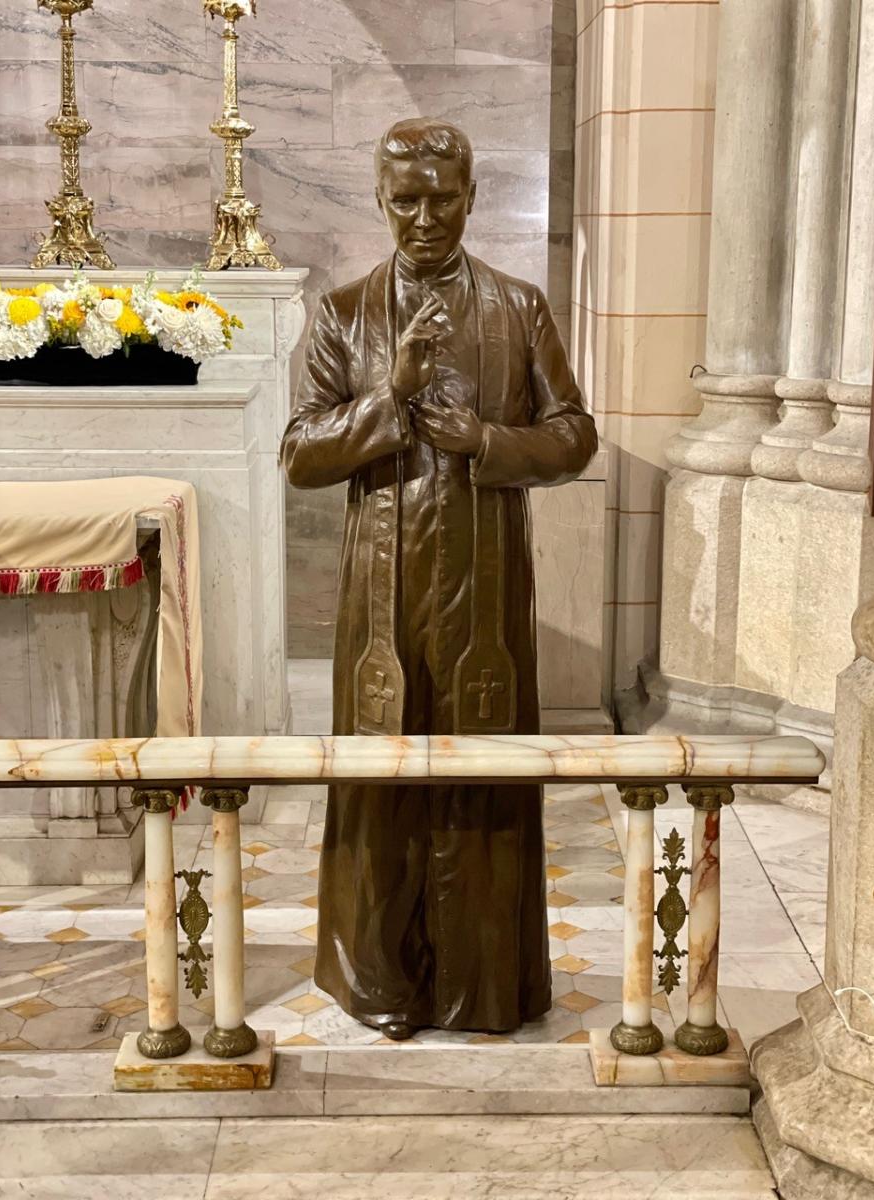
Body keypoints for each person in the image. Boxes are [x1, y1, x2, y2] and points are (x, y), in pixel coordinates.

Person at [280, 117, 598, 1040]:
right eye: (407, 200)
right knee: (383, 784)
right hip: (380, 596)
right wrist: (389, 396)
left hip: (488, 590)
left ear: (472, 198)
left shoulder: (519, 306)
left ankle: (480, 984)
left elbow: (574, 432)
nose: (425, 218)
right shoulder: (343, 312)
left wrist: (488, 441)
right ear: (381, 201)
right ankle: (382, 985)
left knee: (482, 779)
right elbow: (299, 454)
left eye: (443, 199)